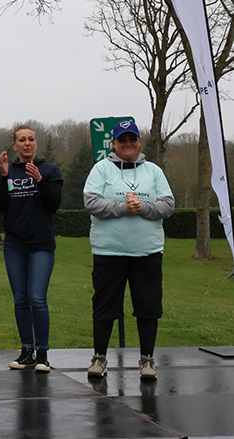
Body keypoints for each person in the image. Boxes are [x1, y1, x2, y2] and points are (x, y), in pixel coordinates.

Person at [83, 120, 173, 380]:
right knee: (104, 307)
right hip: (109, 252)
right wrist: (124, 207)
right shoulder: (102, 169)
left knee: (148, 307)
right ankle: (99, 358)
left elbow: (167, 204)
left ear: (139, 142)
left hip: (147, 252)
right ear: (113, 144)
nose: (128, 143)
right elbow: (91, 202)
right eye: (122, 139)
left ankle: (147, 360)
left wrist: (143, 208)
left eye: (132, 138)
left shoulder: (153, 171)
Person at [0, 125, 62, 372]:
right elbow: (1, 206)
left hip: (41, 245)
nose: (27, 143)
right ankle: (26, 351)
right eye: (22, 140)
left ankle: (42, 353)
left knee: (37, 298)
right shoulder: (9, 170)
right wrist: (3, 177)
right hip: (14, 245)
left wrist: (40, 180)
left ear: (36, 144)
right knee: (20, 298)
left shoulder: (49, 170)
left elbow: (54, 204)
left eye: (31, 139)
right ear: (15, 146)